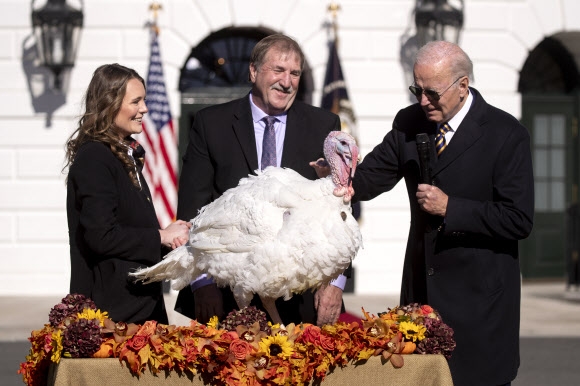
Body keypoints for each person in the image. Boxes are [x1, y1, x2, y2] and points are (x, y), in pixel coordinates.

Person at [345, 41, 533, 386]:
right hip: (422, 298)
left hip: (481, 304)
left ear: (462, 85)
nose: (422, 101)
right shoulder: (410, 122)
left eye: (432, 92)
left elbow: (518, 218)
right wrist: (337, 177)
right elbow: (370, 178)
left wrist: (452, 208)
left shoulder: (506, 134)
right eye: (417, 89)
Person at [174, 34, 350, 327]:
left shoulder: (323, 126)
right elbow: (194, 207)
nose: (287, 81)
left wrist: (336, 281)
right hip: (226, 294)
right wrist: (201, 281)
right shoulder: (211, 124)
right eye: (278, 70)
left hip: (300, 296)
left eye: (294, 73)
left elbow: (339, 210)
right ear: (253, 71)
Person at [65, 63, 191, 325]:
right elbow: (101, 235)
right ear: (109, 104)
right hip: (111, 317)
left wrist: (168, 235)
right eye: (136, 101)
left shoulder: (124, 154)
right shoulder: (95, 157)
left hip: (139, 309)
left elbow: (128, 226)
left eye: (143, 100)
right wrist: (161, 236)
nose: (144, 109)